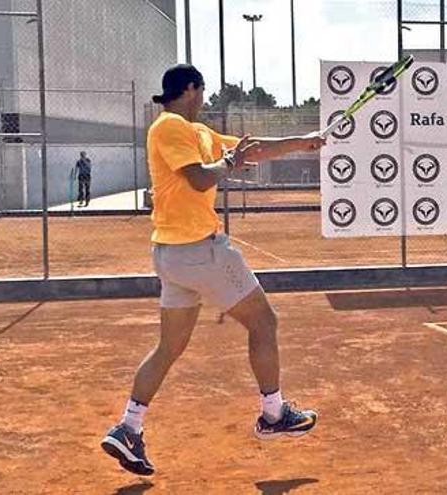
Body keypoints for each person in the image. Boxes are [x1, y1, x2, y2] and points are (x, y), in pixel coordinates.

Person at [100, 64, 325, 476]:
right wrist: (228, 165)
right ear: (190, 90)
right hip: (198, 250)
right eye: (202, 91)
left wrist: (303, 142)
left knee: (169, 347)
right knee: (264, 322)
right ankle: (274, 414)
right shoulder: (168, 127)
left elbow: (250, 148)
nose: (204, 99)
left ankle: (129, 427)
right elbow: (200, 179)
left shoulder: (197, 131)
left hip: (173, 255)